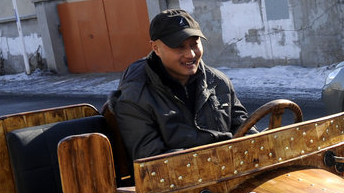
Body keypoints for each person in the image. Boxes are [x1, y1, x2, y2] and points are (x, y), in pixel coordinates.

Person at [107, 9, 250, 161]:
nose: (191, 54)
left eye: (194, 44)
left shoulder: (219, 81)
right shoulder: (135, 96)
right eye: (180, 47)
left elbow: (246, 129)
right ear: (156, 48)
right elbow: (152, 160)